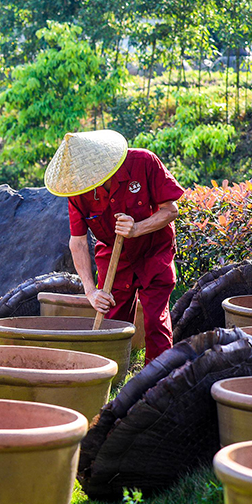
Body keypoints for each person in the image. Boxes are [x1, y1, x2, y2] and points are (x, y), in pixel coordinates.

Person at [44, 130, 185, 363]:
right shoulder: (77, 190)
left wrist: (137, 228)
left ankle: (159, 378)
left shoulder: (143, 162)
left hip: (154, 250)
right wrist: (91, 291)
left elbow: (170, 211)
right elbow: (78, 242)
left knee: (155, 321)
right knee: (112, 321)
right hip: (114, 257)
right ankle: (110, 376)